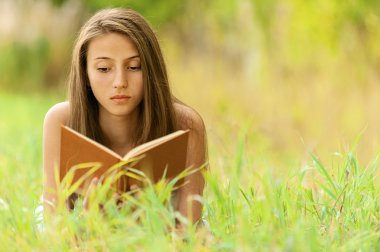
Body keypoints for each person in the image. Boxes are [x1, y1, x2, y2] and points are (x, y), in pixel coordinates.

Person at [42, 8, 207, 227]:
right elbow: (55, 231)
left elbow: (189, 232)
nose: (120, 81)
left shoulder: (185, 125)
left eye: (134, 66)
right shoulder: (61, 121)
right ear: (86, 75)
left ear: (151, 69)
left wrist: (152, 224)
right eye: (103, 68)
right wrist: (89, 223)